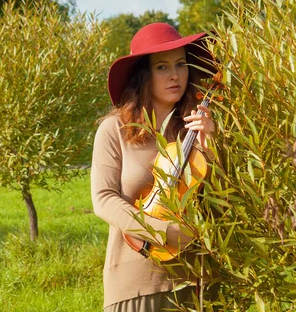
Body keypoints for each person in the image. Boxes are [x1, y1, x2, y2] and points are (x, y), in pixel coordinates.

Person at [91, 22, 217, 311]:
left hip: (198, 279)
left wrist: (210, 146)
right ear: (143, 76)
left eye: (181, 64)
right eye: (162, 67)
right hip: (137, 283)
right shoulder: (115, 130)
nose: (175, 76)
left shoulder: (196, 129)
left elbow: (219, 200)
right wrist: (163, 231)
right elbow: (104, 200)